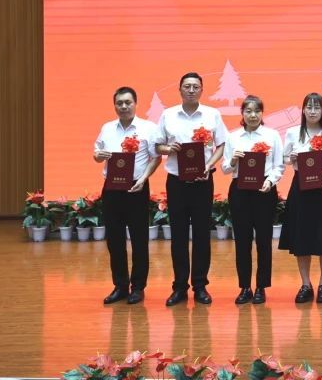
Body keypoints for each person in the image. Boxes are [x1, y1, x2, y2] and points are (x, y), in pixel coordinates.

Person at [154, 71, 227, 306]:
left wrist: (208, 165)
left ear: (202, 90)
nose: (191, 90)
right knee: (178, 236)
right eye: (187, 86)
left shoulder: (212, 115)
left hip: (202, 182)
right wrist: (169, 149)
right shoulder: (168, 115)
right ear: (180, 90)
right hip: (176, 182)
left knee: (202, 235)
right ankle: (179, 287)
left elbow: (222, 145)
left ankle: (200, 286)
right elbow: (157, 146)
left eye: (196, 86)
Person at [92, 86, 161, 305]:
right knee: (115, 240)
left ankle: (138, 287)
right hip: (112, 188)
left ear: (135, 103)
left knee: (139, 239)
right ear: (115, 105)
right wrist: (98, 156)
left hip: (136, 188)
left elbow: (156, 157)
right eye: (119, 103)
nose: (124, 106)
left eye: (127, 102)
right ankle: (120, 286)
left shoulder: (148, 128)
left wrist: (144, 179)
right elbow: (96, 154)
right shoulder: (107, 128)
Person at [279, 92, 322, 304]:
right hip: (301, 188)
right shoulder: (293, 132)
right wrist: (291, 158)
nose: (312, 111)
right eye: (308, 107)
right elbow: (284, 158)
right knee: (302, 237)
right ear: (303, 110)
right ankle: (306, 284)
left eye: (317, 107)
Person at [222, 95, 283, 305]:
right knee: (242, 241)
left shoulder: (272, 135)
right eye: (248, 111)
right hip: (240, 191)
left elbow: (278, 166)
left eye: (257, 111)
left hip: (264, 191)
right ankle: (245, 287)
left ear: (262, 113)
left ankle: (261, 287)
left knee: (264, 241)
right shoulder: (233, 137)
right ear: (242, 113)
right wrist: (233, 160)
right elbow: (225, 169)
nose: (253, 115)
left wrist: (270, 181)